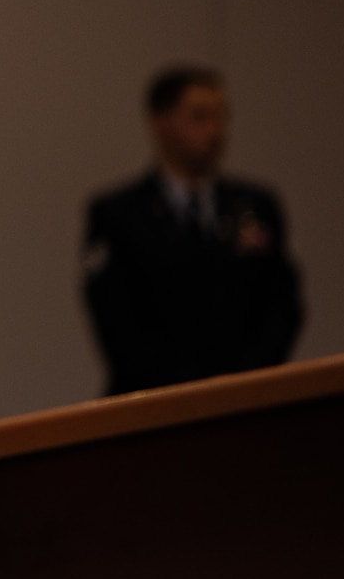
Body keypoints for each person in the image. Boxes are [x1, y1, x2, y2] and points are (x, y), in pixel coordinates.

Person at [81, 65, 302, 395]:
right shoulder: (119, 214)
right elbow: (117, 322)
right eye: (200, 117)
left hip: (248, 398)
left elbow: (282, 304)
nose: (216, 131)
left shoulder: (254, 206)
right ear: (161, 124)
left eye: (221, 116)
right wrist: (188, 393)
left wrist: (241, 381)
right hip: (153, 405)